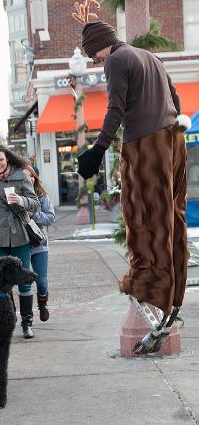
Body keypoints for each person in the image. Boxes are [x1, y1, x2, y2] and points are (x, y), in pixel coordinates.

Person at [77, 20, 190, 321]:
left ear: (102, 44)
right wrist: (172, 125)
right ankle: (174, 291)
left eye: (93, 55)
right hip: (174, 138)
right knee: (172, 216)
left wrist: (98, 150)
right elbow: (175, 95)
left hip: (145, 143)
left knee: (143, 218)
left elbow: (116, 108)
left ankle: (149, 287)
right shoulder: (149, 56)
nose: (94, 60)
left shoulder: (115, 60)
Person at [0, 144, 40, 339]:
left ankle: (27, 323)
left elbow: (35, 202)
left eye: (1, 160)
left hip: (19, 232)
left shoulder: (21, 174)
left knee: (24, 279)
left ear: (7, 159)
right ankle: (8, 320)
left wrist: (20, 200)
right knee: (0, 281)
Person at [23, 164, 55, 322]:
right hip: (20, 244)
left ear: (34, 177)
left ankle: (43, 304)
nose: (27, 178)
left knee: (41, 280)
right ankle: (26, 317)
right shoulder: (15, 194)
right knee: (24, 282)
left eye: (30, 175)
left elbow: (50, 217)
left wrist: (33, 214)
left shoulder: (42, 195)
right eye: (23, 176)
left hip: (39, 243)